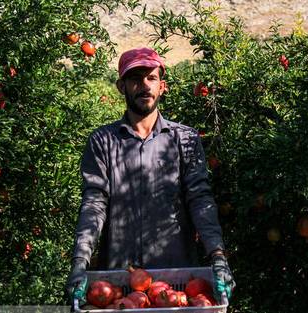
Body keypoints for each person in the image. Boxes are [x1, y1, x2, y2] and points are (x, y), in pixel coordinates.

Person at [66, 47, 235, 307]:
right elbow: (94, 203)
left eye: (151, 78)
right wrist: (80, 262)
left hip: (178, 283)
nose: (144, 85)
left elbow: (200, 200)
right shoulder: (102, 142)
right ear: (121, 86)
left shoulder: (185, 140)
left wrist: (218, 257)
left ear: (162, 86)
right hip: (120, 283)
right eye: (135, 79)